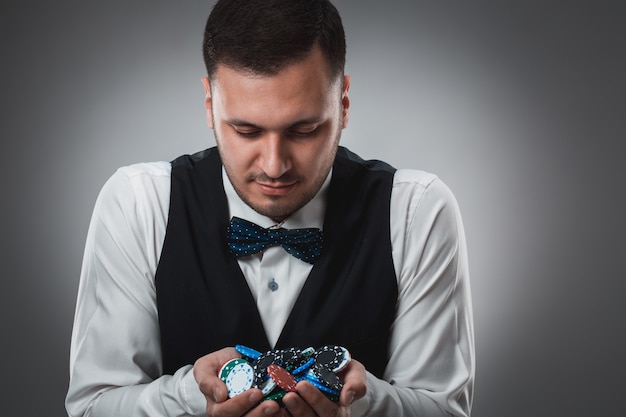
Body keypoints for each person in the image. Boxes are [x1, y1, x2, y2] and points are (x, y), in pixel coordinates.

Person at [65, 0, 475, 416]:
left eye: (304, 129)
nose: (274, 166)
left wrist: (364, 403)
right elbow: (92, 407)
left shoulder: (416, 211)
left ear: (344, 103)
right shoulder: (139, 204)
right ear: (210, 104)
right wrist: (189, 398)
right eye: (246, 130)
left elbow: (444, 410)